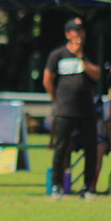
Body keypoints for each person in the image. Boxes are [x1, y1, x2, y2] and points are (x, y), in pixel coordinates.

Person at [43, 17, 100, 199]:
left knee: (91, 149)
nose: (80, 34)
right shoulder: (57, 55)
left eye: (82, 30)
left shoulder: (89, 53)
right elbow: (47, 80)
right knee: (60, 148)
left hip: (86, 111)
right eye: (76, 31)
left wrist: (81, 58)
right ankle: (57, 186)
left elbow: (97, 75)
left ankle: (88, 187)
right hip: (65, 110)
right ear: (68, 34)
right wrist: (56, 101)